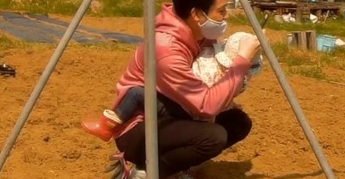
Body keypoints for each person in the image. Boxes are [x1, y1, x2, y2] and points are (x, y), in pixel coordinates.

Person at [105, 0, 261, 179]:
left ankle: (172, 172)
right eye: (221, 11)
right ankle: (139, 170)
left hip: (168, 114)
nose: (226, 16)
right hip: (139, 126)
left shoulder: (196, 34)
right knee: (213, 136)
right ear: (197, 14)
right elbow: (206, 105)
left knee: (237, 123)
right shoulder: (167, 48)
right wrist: (242, 62)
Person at [84, 32, 263, 142]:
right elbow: (223, 97)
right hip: (191, 107)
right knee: (138, 93)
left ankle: (108, 125)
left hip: (188, 109)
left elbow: (210, 101)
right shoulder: (237, 77)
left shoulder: (211, 69)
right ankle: (112, 122)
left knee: (137, 93)